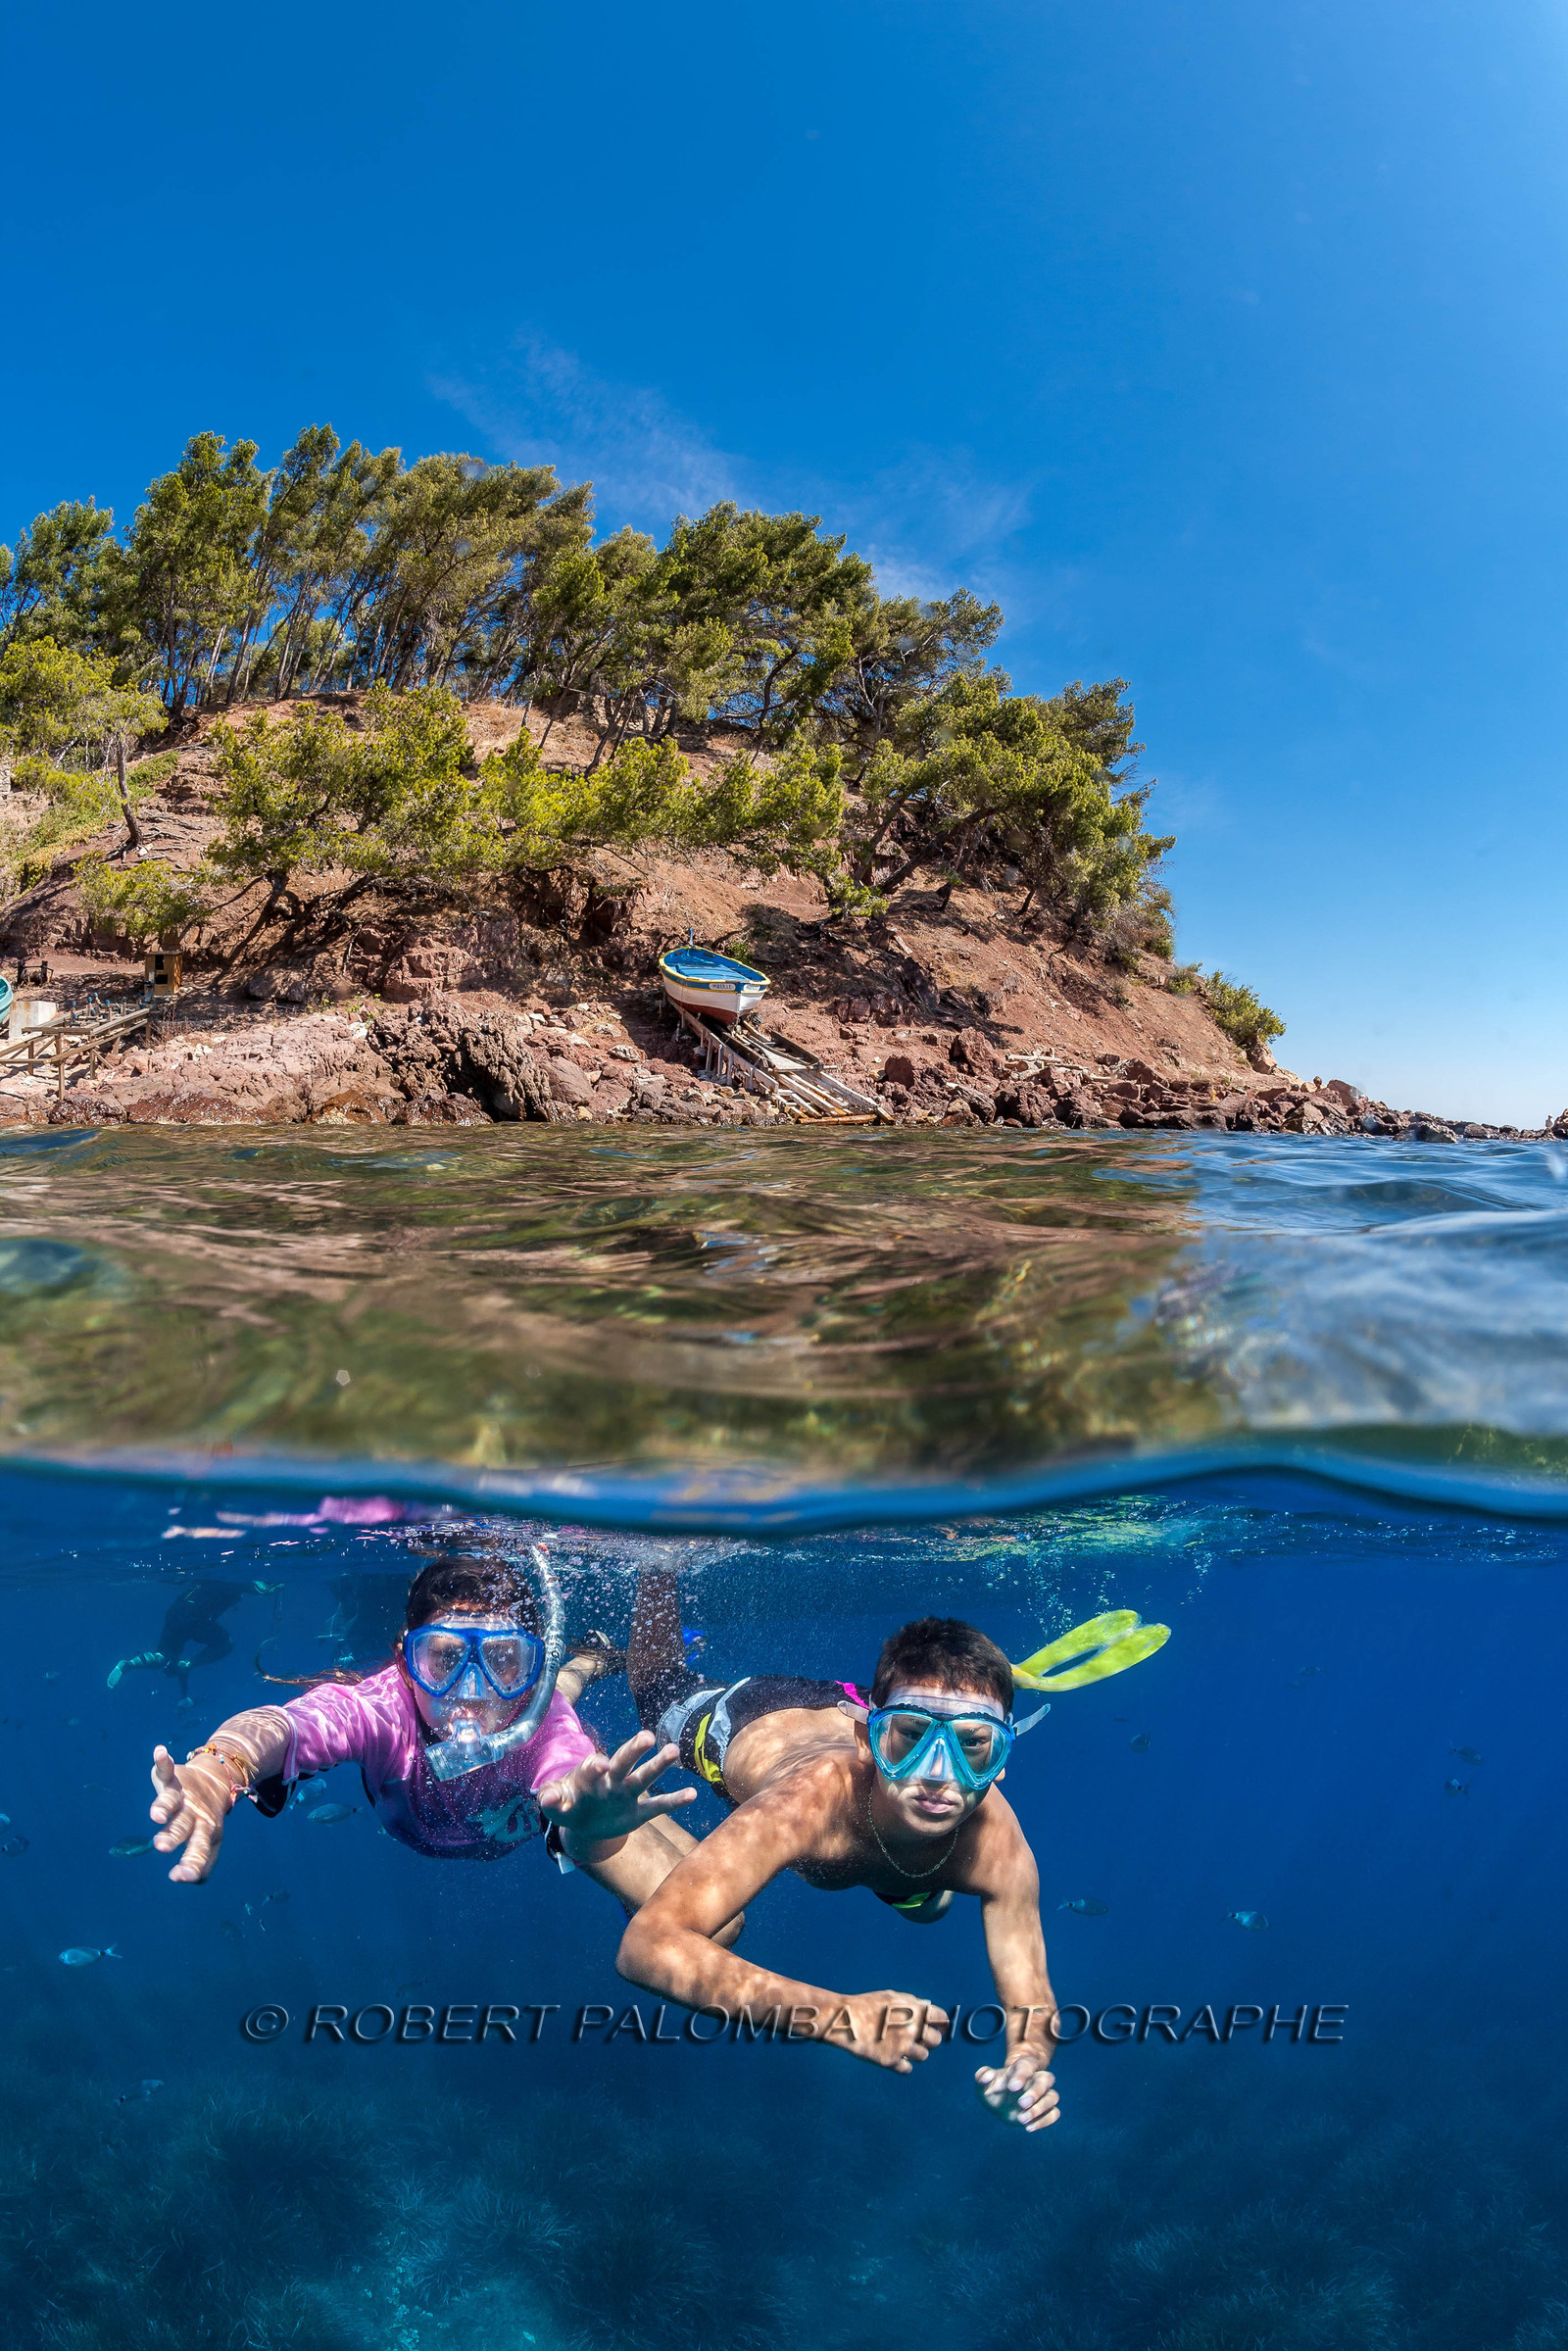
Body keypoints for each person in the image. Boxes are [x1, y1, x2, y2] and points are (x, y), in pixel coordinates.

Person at [613, 1570, 1061, 2131]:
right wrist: (837, 2016)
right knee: (658, 1687)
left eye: (973, 1745)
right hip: (753, 1717)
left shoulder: (996, 1840)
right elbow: (647, 1946)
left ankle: (908, 1867)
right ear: (868, 1742)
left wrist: (1028, 2063)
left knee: (930, 1898)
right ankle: (659, 1562)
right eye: (912, 1737)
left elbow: (1033, 2002)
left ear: (1002, 1758)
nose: (939, 1776)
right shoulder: (803, 1807)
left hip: (864, 1725)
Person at [147, 1552, 725, 1925]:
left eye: (502, 1662)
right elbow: (287, 1725)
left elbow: (568, 1772)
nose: (471, 1693)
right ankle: (579, 1667)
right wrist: (220, 1766)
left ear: (530, 1667)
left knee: (716, 1921)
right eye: (444, 1659)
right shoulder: (381, 1710)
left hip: (547, 1806)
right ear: (405, 1659)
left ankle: (578, 1666)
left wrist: (591, 1828)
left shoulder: (541, 1721)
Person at [108, 1577, 281, 1708]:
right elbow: (244, 1586)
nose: (238, 1601)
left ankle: (128, 1664)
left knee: (163, 1656)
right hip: (195, 1618)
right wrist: (264, 1589)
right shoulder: (232, 1585)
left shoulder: (201, 1582)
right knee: (226, 1644)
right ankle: (188, 1665)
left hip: (176, 1612)